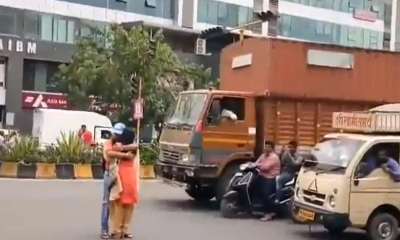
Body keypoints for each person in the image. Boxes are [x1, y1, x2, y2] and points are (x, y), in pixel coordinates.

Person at [101, 123, 136, 239]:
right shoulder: (109, 143)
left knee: (121, 202)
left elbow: (135, 147)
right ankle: (105, 229)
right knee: (107, 203)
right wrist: (124, 154)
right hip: (110, 175)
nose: (117, 136)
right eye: (116, 134)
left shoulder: (121, 144)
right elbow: (109, 153)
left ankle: (120, 229)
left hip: (119, 176)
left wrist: (123, 150)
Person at [255, 140, 281, 221]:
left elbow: (265, 167)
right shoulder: (263, 155)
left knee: (266, 194)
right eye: (266, 146)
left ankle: (269, 213)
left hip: (270, 177)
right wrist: (258, 165)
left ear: (272, 149)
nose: (267, 148)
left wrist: (258, 165)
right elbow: (256, 163)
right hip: (262, 175)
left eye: (269, 147)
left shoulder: (274, 157)